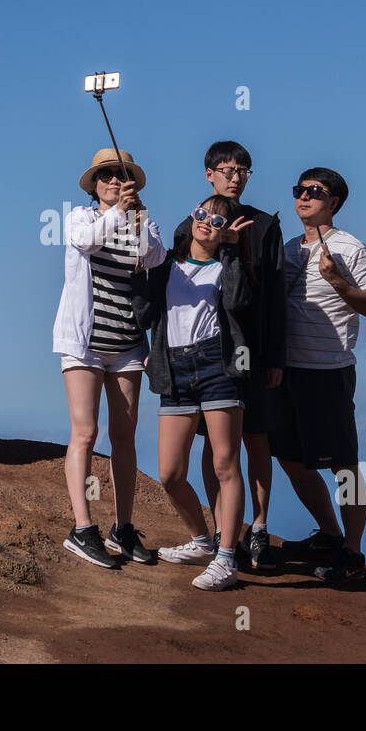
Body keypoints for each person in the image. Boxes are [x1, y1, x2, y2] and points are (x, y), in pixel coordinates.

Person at [172, 141, 284, 570]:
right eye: (226, 168)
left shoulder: (264, 224)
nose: (235, 176)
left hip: (251, 350)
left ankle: (258, 529)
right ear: (208, 173)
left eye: (243, 170)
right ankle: (222, 530)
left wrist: (275, 356)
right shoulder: (192, 224)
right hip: (205, 354)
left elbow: (274, 297)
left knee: (255, 437)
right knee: (212, 442)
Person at [53, 148, 167, 568]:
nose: (114, 182)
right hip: (84, 343)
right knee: (85, 431)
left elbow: (154, 258)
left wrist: (136, 220)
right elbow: (86, 241)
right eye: (106, 176)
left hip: (128, 344)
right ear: (94, 184)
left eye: (121, 176)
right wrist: (118, 213)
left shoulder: (141, 221)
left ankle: (122, 528)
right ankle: (82, 528)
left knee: (125, 436)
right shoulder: (81, 218)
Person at [133, 194, 254, 591]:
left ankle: (227, 558)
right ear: (192, 216)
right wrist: (142, 270)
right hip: (176, 369)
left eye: (218, 222)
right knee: (169, 472)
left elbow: (238, 302)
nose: (207, 223)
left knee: (225, 464)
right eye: (202, 215)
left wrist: (233, 254)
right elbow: (145, 314)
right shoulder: (166, 264)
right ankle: (202, 542)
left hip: (218, 366)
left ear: (226, 233)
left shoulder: (226, 266)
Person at [271, 168, 366, 583]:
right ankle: (331, 535)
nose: (304, 197)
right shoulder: (286, 249)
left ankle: (352, 553)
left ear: (334, 202)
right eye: (299, 189)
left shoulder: (351, 249)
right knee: (291, 458)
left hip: (329, 370)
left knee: (344, 466)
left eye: (315, 191)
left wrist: (337, 282)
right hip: (288, 370)